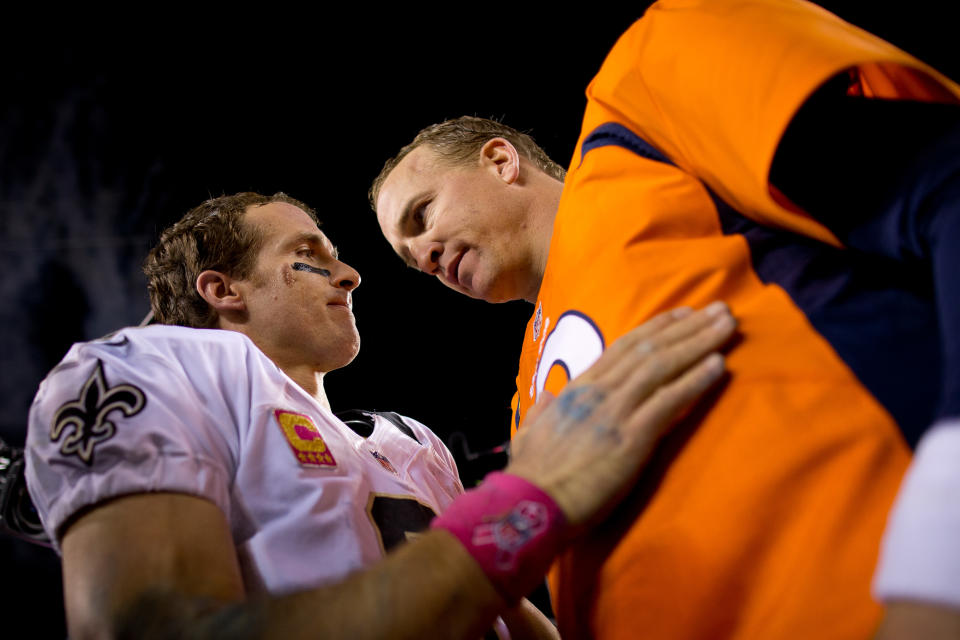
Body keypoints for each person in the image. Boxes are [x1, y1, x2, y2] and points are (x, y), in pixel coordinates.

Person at [371, 1, 960, 637]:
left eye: (422, 216)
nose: (425, 257)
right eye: (410, 261)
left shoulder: (637, 107)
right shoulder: (527, 394)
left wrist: (937, 555)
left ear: (500, 160)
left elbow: (944, 182)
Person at [24, 191, 737, 639]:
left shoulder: (411, 443)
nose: (349, 274)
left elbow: (504, 614)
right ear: (222, 288)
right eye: (308, 256)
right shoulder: (145, 368)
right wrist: (529, 501)